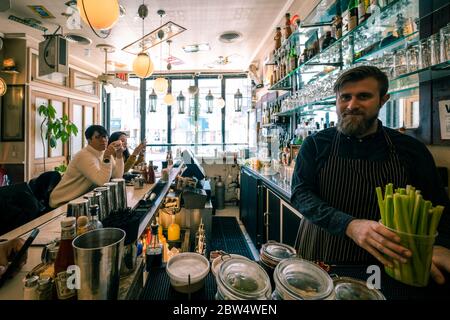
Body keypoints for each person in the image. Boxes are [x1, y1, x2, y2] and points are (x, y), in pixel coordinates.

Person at [291, 66, 450, 283]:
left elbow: (438, 206)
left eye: (363, 96)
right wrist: (350, 225)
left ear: (383, 100)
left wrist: (441, 245)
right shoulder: (316, 144)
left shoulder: (410, 150)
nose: (352, 105)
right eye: (345, 97)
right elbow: (301, 195)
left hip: (386, 263)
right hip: (321, 254)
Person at [49, 125, 124, 208]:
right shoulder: (84, 156)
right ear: (89, 140)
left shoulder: (103, 153)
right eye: (98, 137)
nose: (103, 140)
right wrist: (107, 156)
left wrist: (119, 155)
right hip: (63, 202)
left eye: (104, 137)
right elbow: (102, 182)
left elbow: (117, 176)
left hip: (81, 200)